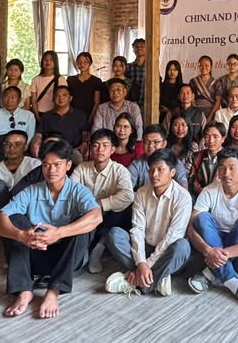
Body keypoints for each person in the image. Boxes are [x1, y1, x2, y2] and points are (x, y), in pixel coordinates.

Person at [0, 139, 102, 319]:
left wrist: (59, 232)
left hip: (65, 260)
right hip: (33, 256)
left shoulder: (79, 191)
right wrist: (21, 235)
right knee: (13, 219)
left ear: (68, 165)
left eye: (57, 164)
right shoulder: (32, 190)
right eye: (46, 165)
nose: (51, 170)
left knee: (84, 225)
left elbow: (97, 216)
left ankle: (53, 291)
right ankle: (24, 290)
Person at [105, 149, 192, 296]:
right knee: (115, 235)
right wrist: (141, 263)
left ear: (172, 172)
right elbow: (137, 229)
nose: (154, 174)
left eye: (160, 169)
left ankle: (139, 282)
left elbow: (173, 236)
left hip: (167, 253)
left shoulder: (183, 197)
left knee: (182, 247)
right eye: (151, 170)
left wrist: (146, 265)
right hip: (145, 247)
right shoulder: (141, 193)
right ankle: (158, 277)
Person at [187, 148, 238, 305]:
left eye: (232, 168)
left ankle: (210, 273)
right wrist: (208, 250)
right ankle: (232, 281)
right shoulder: (209, 191)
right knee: (202, 218)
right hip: (212, 250)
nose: (226, 173)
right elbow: (190, 228)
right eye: (222, 168)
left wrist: (222, 255)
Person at [71, 129, 134, 274]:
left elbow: (128, 195)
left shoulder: (120, 171)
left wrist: (100, 204)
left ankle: (98, 249)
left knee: (125, 208)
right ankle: (83, 251)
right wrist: (91, 208)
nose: (100, 150)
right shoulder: (82, 168)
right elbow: (71, 191)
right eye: (96, 145)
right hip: (86, 214)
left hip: (110, 217)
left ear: (112, 150)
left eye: (105, 146)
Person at [31, 86, 89, 165]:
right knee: (37, 163)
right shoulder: (47, 116)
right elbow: (39, 134)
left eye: (64, 95)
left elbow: (85, 132)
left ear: (70, 98)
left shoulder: (80, 115)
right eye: (57, 95)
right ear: (53, 99)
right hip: (50, 149)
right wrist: (36, 142)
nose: (61, 98)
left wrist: (84, 142)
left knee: (80, 162)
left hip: (72, 150)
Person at [0, 130, 41, 210]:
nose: (11, 148)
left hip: (28, 206)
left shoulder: (35, 164)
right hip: (3, 207)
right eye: (8, 144)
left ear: (25, 147)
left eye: (17, 144)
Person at [129, 125, 188, 191]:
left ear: (164, 144)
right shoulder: (136, 165)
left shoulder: (174, 162)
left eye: (156, 142)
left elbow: (183, 189)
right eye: (147, 142)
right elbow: (126, 189)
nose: (151, 146)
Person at [189, 122, 227, 198]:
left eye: (215, 137)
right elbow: (192, 179)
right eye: (207, 136)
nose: (211, 141)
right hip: (200, 196)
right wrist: (204, 194)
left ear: (223, 139)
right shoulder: (197, 156)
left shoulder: (228, 158)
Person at [67, 51, 105, 126]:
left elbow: (97, 102)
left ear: (90, 63)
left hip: (89, 114)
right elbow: (68, 99)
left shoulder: (96, 81)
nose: (82, 64)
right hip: (73, 115)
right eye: (79, 62)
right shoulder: (70, 80)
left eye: (85, 62)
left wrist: (91, 118)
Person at [209, 53, 238, 120]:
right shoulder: (222, 80)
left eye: (235, 64)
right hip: (226, 111)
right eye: (230, 64)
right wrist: (230, 106)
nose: (232, 66)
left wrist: (237, 106)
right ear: (227, 65)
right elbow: (220, 97)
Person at [30, 50, 67, 121]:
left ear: (55, 62)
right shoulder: (36, 79)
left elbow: (64, 98)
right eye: (45, 59)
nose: (48, 62)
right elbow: (33, 100)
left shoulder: (60, 79)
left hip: (55, 114)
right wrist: (37, 116)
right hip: (39, 113)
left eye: (51, 59)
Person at [189, 55, 216, 119]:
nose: (203, 67)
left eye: (206, 65)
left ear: (211, 67)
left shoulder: (216, 82)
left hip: (211, 111)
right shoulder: (193, 81)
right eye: (201, 65)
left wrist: (210, 117)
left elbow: (218, 101)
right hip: (196, 110)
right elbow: (191, 98)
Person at [126, 38, 146, 109]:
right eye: (136, 47)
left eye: (142, 46)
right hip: (132, 104)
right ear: (133, 49)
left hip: (147, 103)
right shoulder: (129, 67)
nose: (139, 48)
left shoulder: (151, 67)